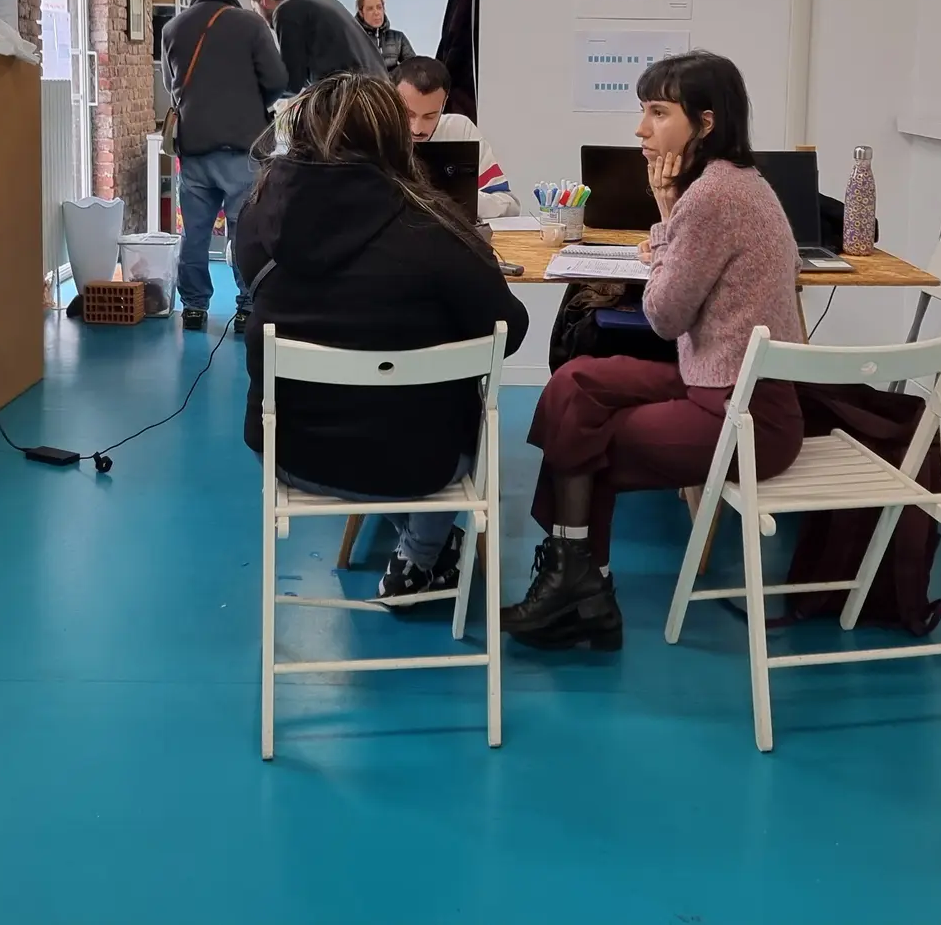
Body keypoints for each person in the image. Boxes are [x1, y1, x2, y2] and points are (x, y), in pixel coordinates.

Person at [500, 51, 804, 651]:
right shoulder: (738, 182)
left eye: (658, 113)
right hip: (720, 385)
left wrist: (666, 219)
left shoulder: (712, 197)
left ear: (706, 123)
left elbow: (664, 318)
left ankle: (579, 587)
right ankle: (580, 583)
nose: (641, 129)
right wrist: (669, 215)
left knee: (586, 438)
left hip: (744, 416)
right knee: (575, 382)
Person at [236, 74, 529, 600]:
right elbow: (508, 332)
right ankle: (418, 556)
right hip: (421, 463)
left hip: (290, 453)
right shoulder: (437, 230)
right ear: (395, 139)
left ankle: (424, 551)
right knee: (464, 406)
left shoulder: (256, 217)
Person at [161, 0, 287, 331]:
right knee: (244, 232)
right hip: (242, 150)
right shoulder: (251, 24)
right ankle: (247, 307)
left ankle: (194, 308)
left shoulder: (172, 28)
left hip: (194, 149)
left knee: (194, 234)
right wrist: (253, 104)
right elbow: (277, 80)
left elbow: (172, 85)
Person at [394, 56, 520, 220]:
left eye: (430, 116)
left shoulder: (459, 130)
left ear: (444, 103)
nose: (417, 129)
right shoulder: (377, 132)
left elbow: (509, 204)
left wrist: (460, 198)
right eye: (408, 114)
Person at [249, 0, 384, 92]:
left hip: (357, 92)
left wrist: (258, 92)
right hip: (378, 89)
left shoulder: (285, 11)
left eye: (255, 10)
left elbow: (293, 83)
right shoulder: (313, 2)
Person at [354, 0, 415, 76]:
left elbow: (414, 68)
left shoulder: (398, 38)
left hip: (393, 84)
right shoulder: (352, 39)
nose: (376, 12)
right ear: (361, 13)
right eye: (370, 9)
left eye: (379, 7)